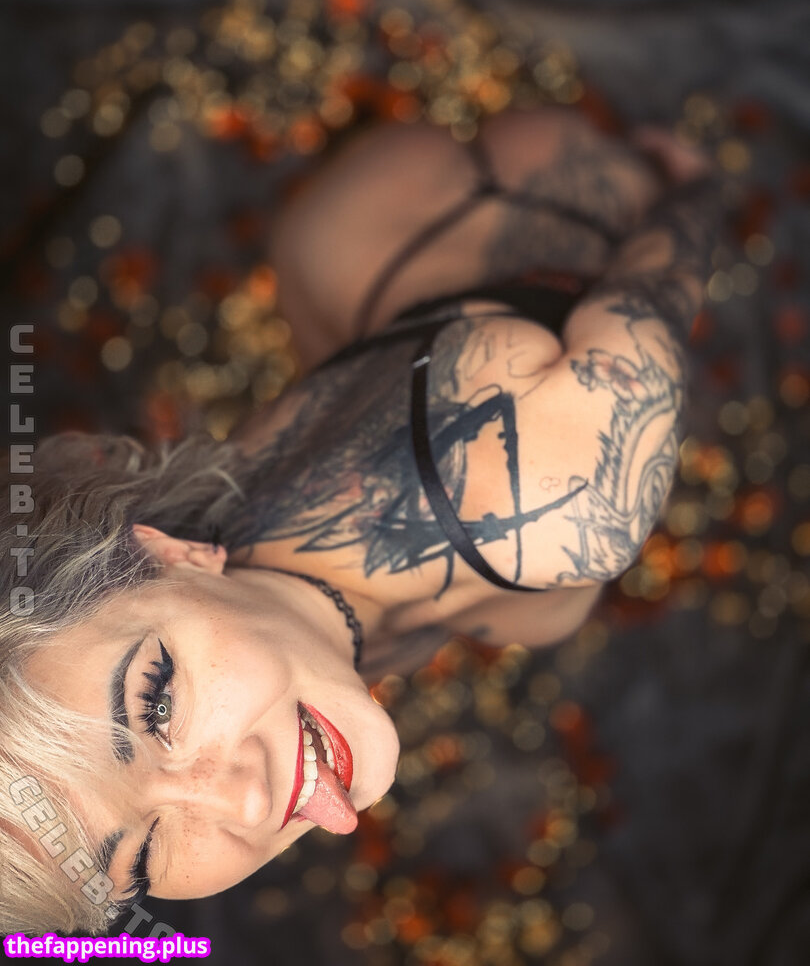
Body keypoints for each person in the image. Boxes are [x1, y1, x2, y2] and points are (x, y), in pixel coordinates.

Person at [0, 106, 722, 934]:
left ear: (169, 554)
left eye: (156, 703)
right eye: (139, 855)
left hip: (503, 201)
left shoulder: (564, 501)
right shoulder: (237, 583)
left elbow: (674, 249)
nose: (243, 802)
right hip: (340, 251)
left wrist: (693, 185)